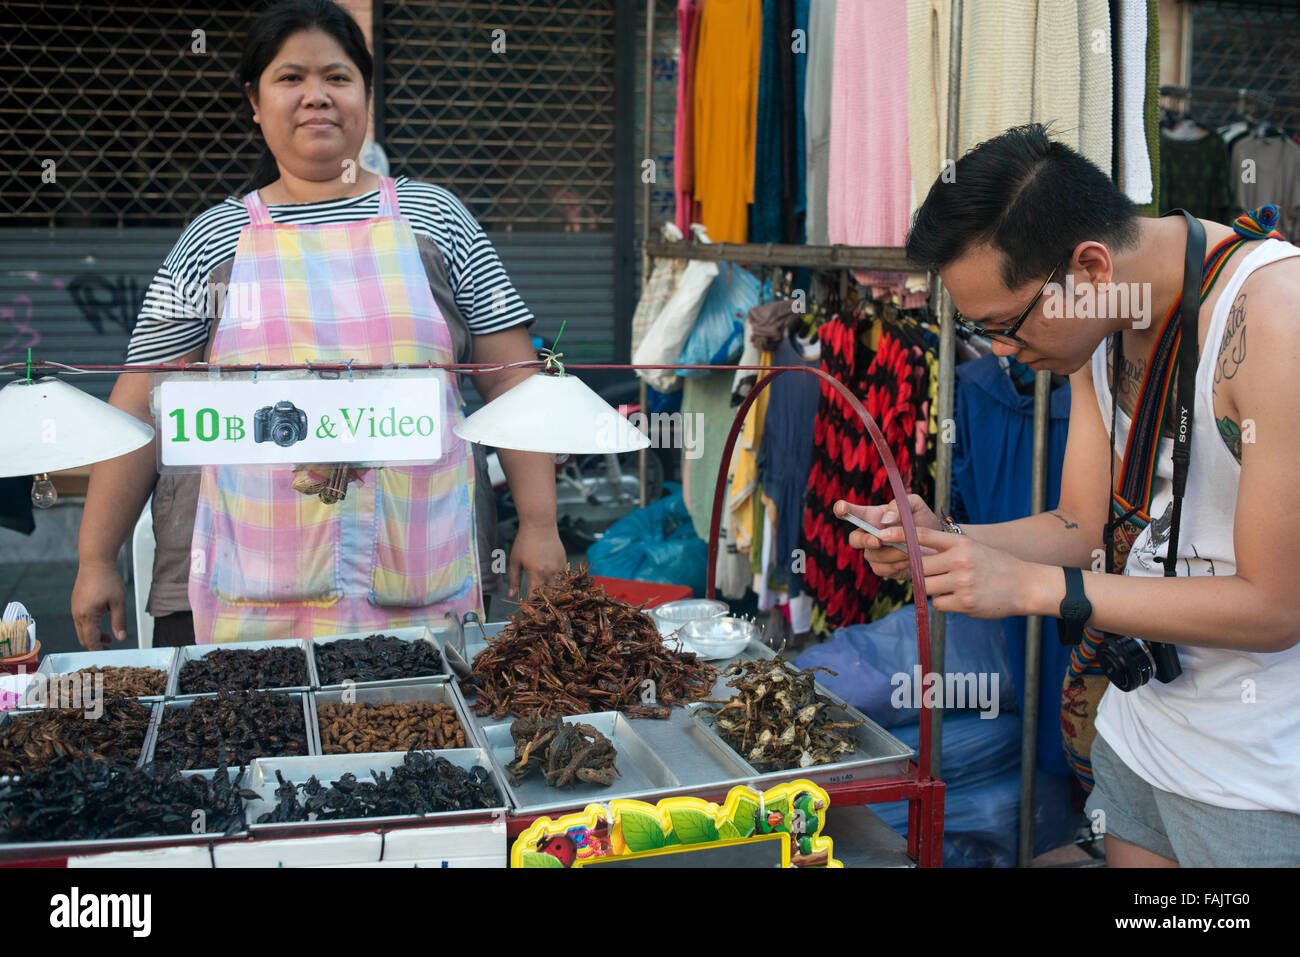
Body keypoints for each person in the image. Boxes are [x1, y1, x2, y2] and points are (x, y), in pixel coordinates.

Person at [838, 124, 1300, 867]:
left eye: (1005, 326)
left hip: (1258, 778)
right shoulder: (1106, 319)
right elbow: (1082, 524)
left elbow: (1277, 606)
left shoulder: (1275, 319)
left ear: (1088, 267)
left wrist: (1030, 587)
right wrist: (955, 541)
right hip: (1141, 736)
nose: (999, 351)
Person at [71, 0, 565, 647]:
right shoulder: (211, 239)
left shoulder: (437, 219)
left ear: (365, 93)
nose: (317, 97)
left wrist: (540, 522)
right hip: (249, 580)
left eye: (337, 77)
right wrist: (95, 557)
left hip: (420, 574)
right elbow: (139, 405)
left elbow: (514, 382)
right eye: (290, 78)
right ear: (254, 101)